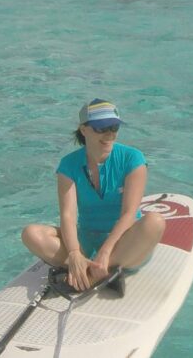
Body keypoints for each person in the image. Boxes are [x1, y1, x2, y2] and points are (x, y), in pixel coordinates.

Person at [21, 99, 165, 291]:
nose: (109, 134)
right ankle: (95, 269)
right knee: (31, 234)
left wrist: (106, 251)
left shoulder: (133, 158)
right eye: (101, 128)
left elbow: (129, 213)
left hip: (124, 242)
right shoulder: (68, 165)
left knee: (154, 222)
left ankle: (92, 275)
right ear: (84, 129)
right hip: (86, 241)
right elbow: (68, 216)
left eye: (114, 127)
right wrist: (73, 253)